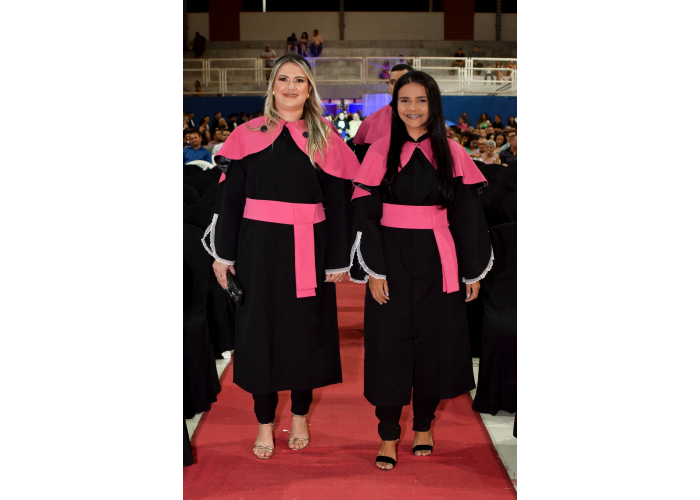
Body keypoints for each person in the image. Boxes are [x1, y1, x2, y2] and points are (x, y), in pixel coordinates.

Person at [202, 53, 360, 460]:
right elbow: (230, 200)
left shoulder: (326, 137)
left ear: (310, 90)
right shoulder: (246, 134)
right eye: (283, 79)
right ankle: (264, 422)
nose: (291, 87)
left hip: (310, 247)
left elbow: (339, 204)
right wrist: (223, 256)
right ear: (272, 86)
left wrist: (337, 260)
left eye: (299, 80)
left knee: (304, 334)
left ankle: (301, 415)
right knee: (259, 336)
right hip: (256, 249)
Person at [348, 71, 493, 471]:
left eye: (421, 100)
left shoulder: (452, 152)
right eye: (405, 100)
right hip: (389, 257)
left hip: (438, 260)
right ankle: (388, 433)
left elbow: (467, 216)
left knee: (435, 345)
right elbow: (365, 213)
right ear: (394, 105)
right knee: (388, 347)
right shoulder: (378, 151)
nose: (413, 108)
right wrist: (375, 269)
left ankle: (425, 424)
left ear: (434, 104)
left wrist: (472, 272)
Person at [352, 63, 414, 162]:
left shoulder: (427, 119)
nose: (397, 86)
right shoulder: (370, 122)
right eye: (393, 82)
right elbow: (361, 163)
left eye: (403, 82)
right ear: (389, 86)